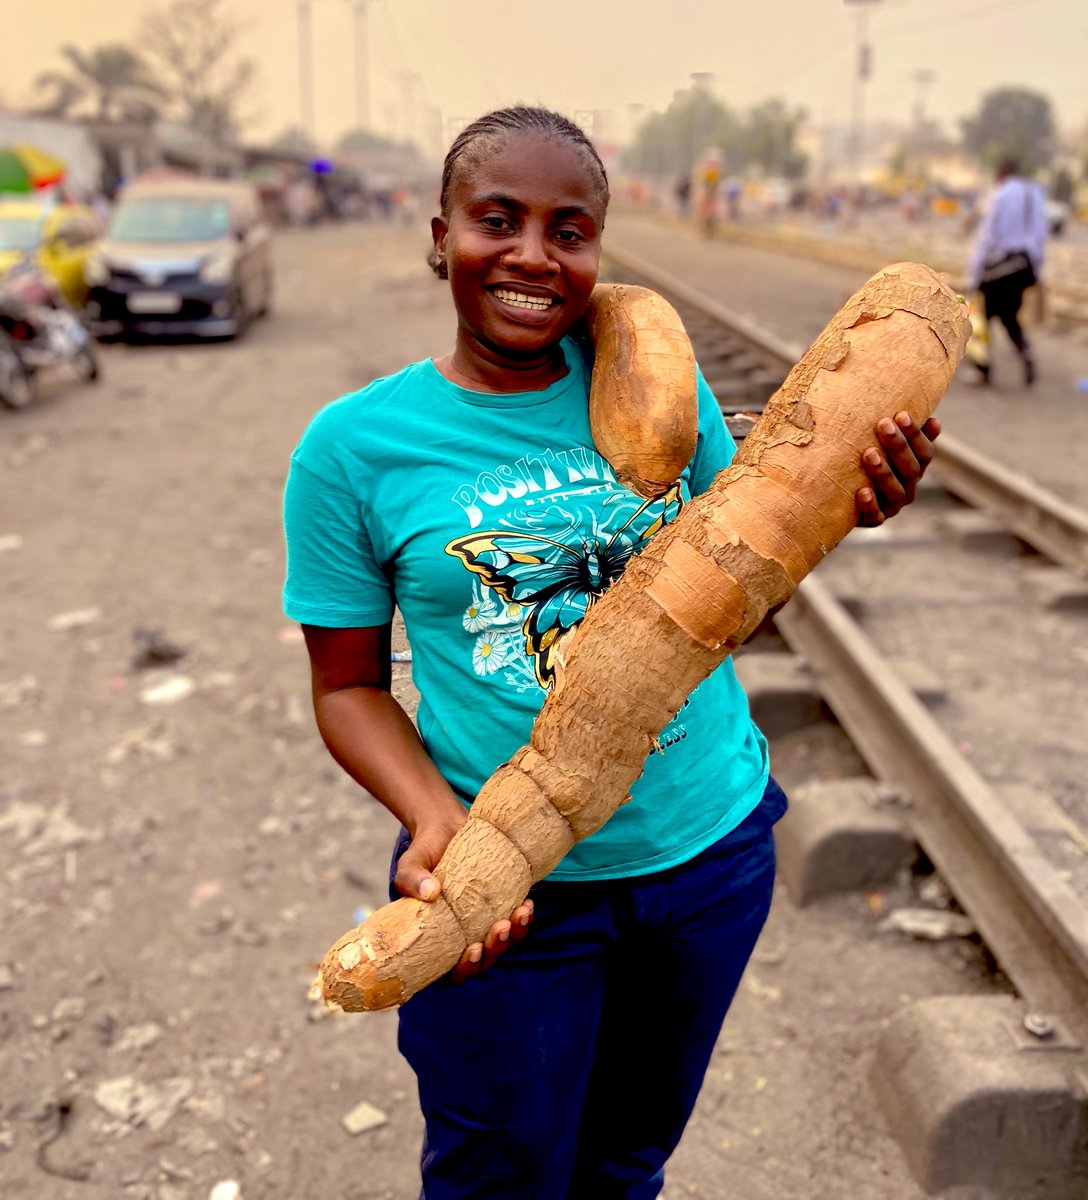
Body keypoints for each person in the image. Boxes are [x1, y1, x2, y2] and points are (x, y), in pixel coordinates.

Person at [282, 105, 941, 1200]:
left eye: (570, 230)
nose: (533, 256)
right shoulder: (353, 449)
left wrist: (836, 505)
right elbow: (346, 686)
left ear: (598, 247)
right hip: (508, 888)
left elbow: (736, 601)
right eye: (498, 220)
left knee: (627, 1164)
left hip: (709, 856)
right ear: (441, 235)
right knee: (497, 1178)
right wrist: (436, 822)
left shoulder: (658, 391)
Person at [965, 157, 1048, 386]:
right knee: (1009, 316)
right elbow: (1041, 234)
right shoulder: (1034, 195)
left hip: (1001, 266)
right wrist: (1036, 269)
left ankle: (982, 368)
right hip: (1025, 267)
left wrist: (973, 275)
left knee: (978, 315)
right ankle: (1026, 354)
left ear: (1000, 173)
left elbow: (987, 237)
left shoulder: (999, 195)